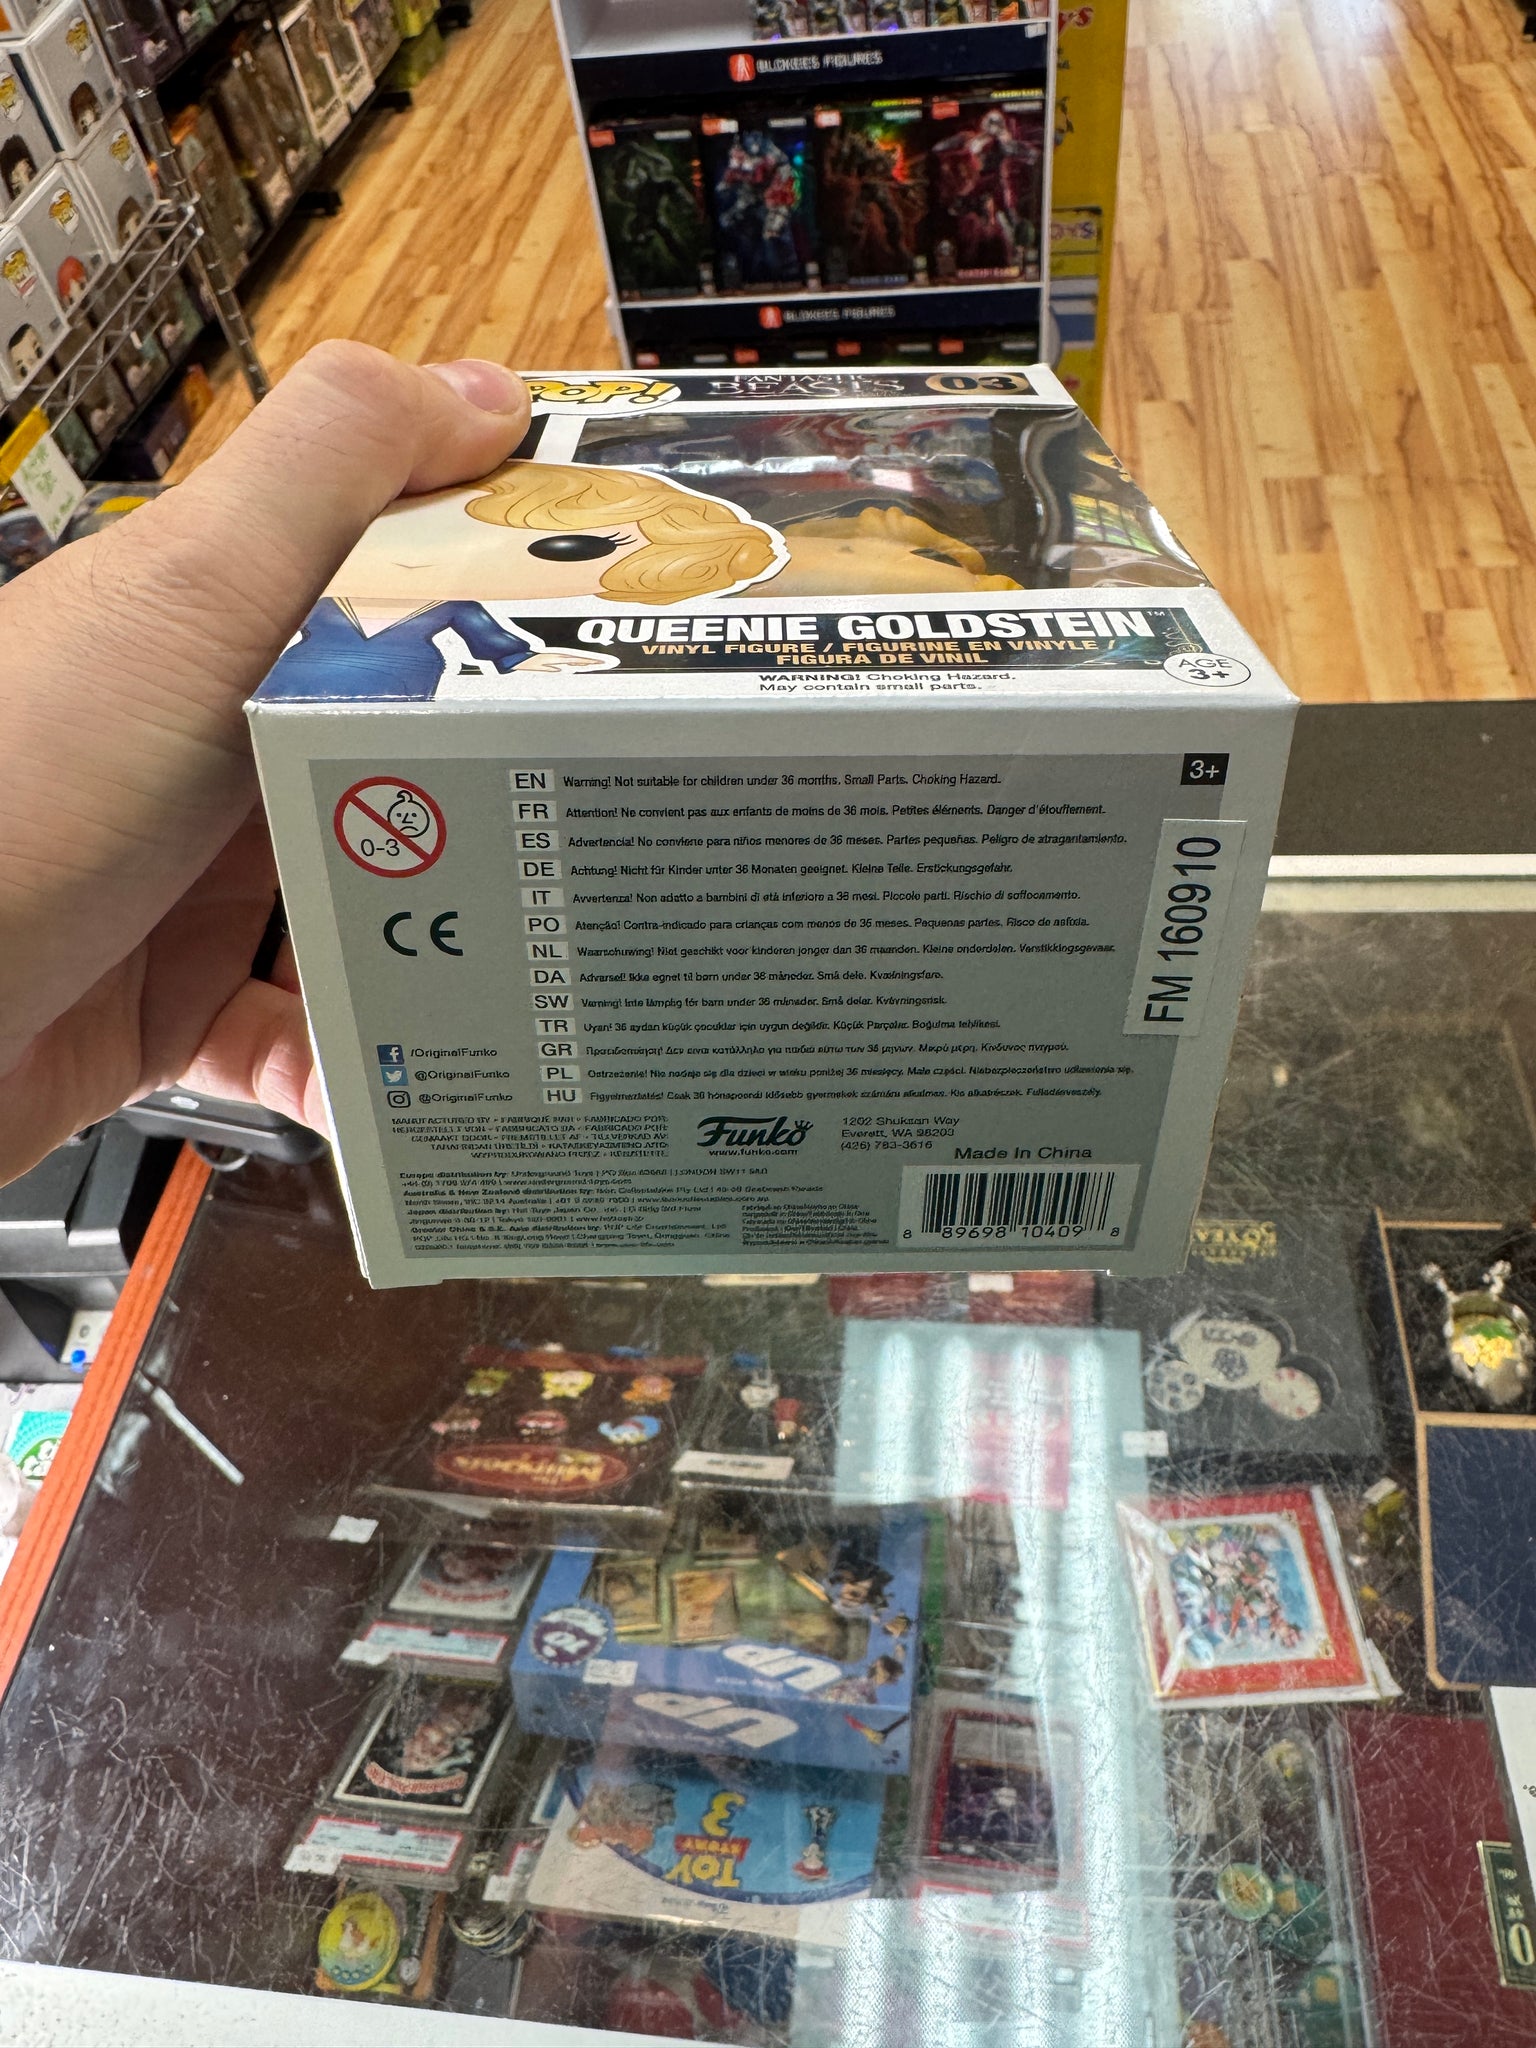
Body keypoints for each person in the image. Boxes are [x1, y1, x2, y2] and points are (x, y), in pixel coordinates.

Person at [0, 342, 532, 1190]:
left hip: (387, 760)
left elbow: (487, 635)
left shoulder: (436, 605)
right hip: (358, 763)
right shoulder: (361, 606)